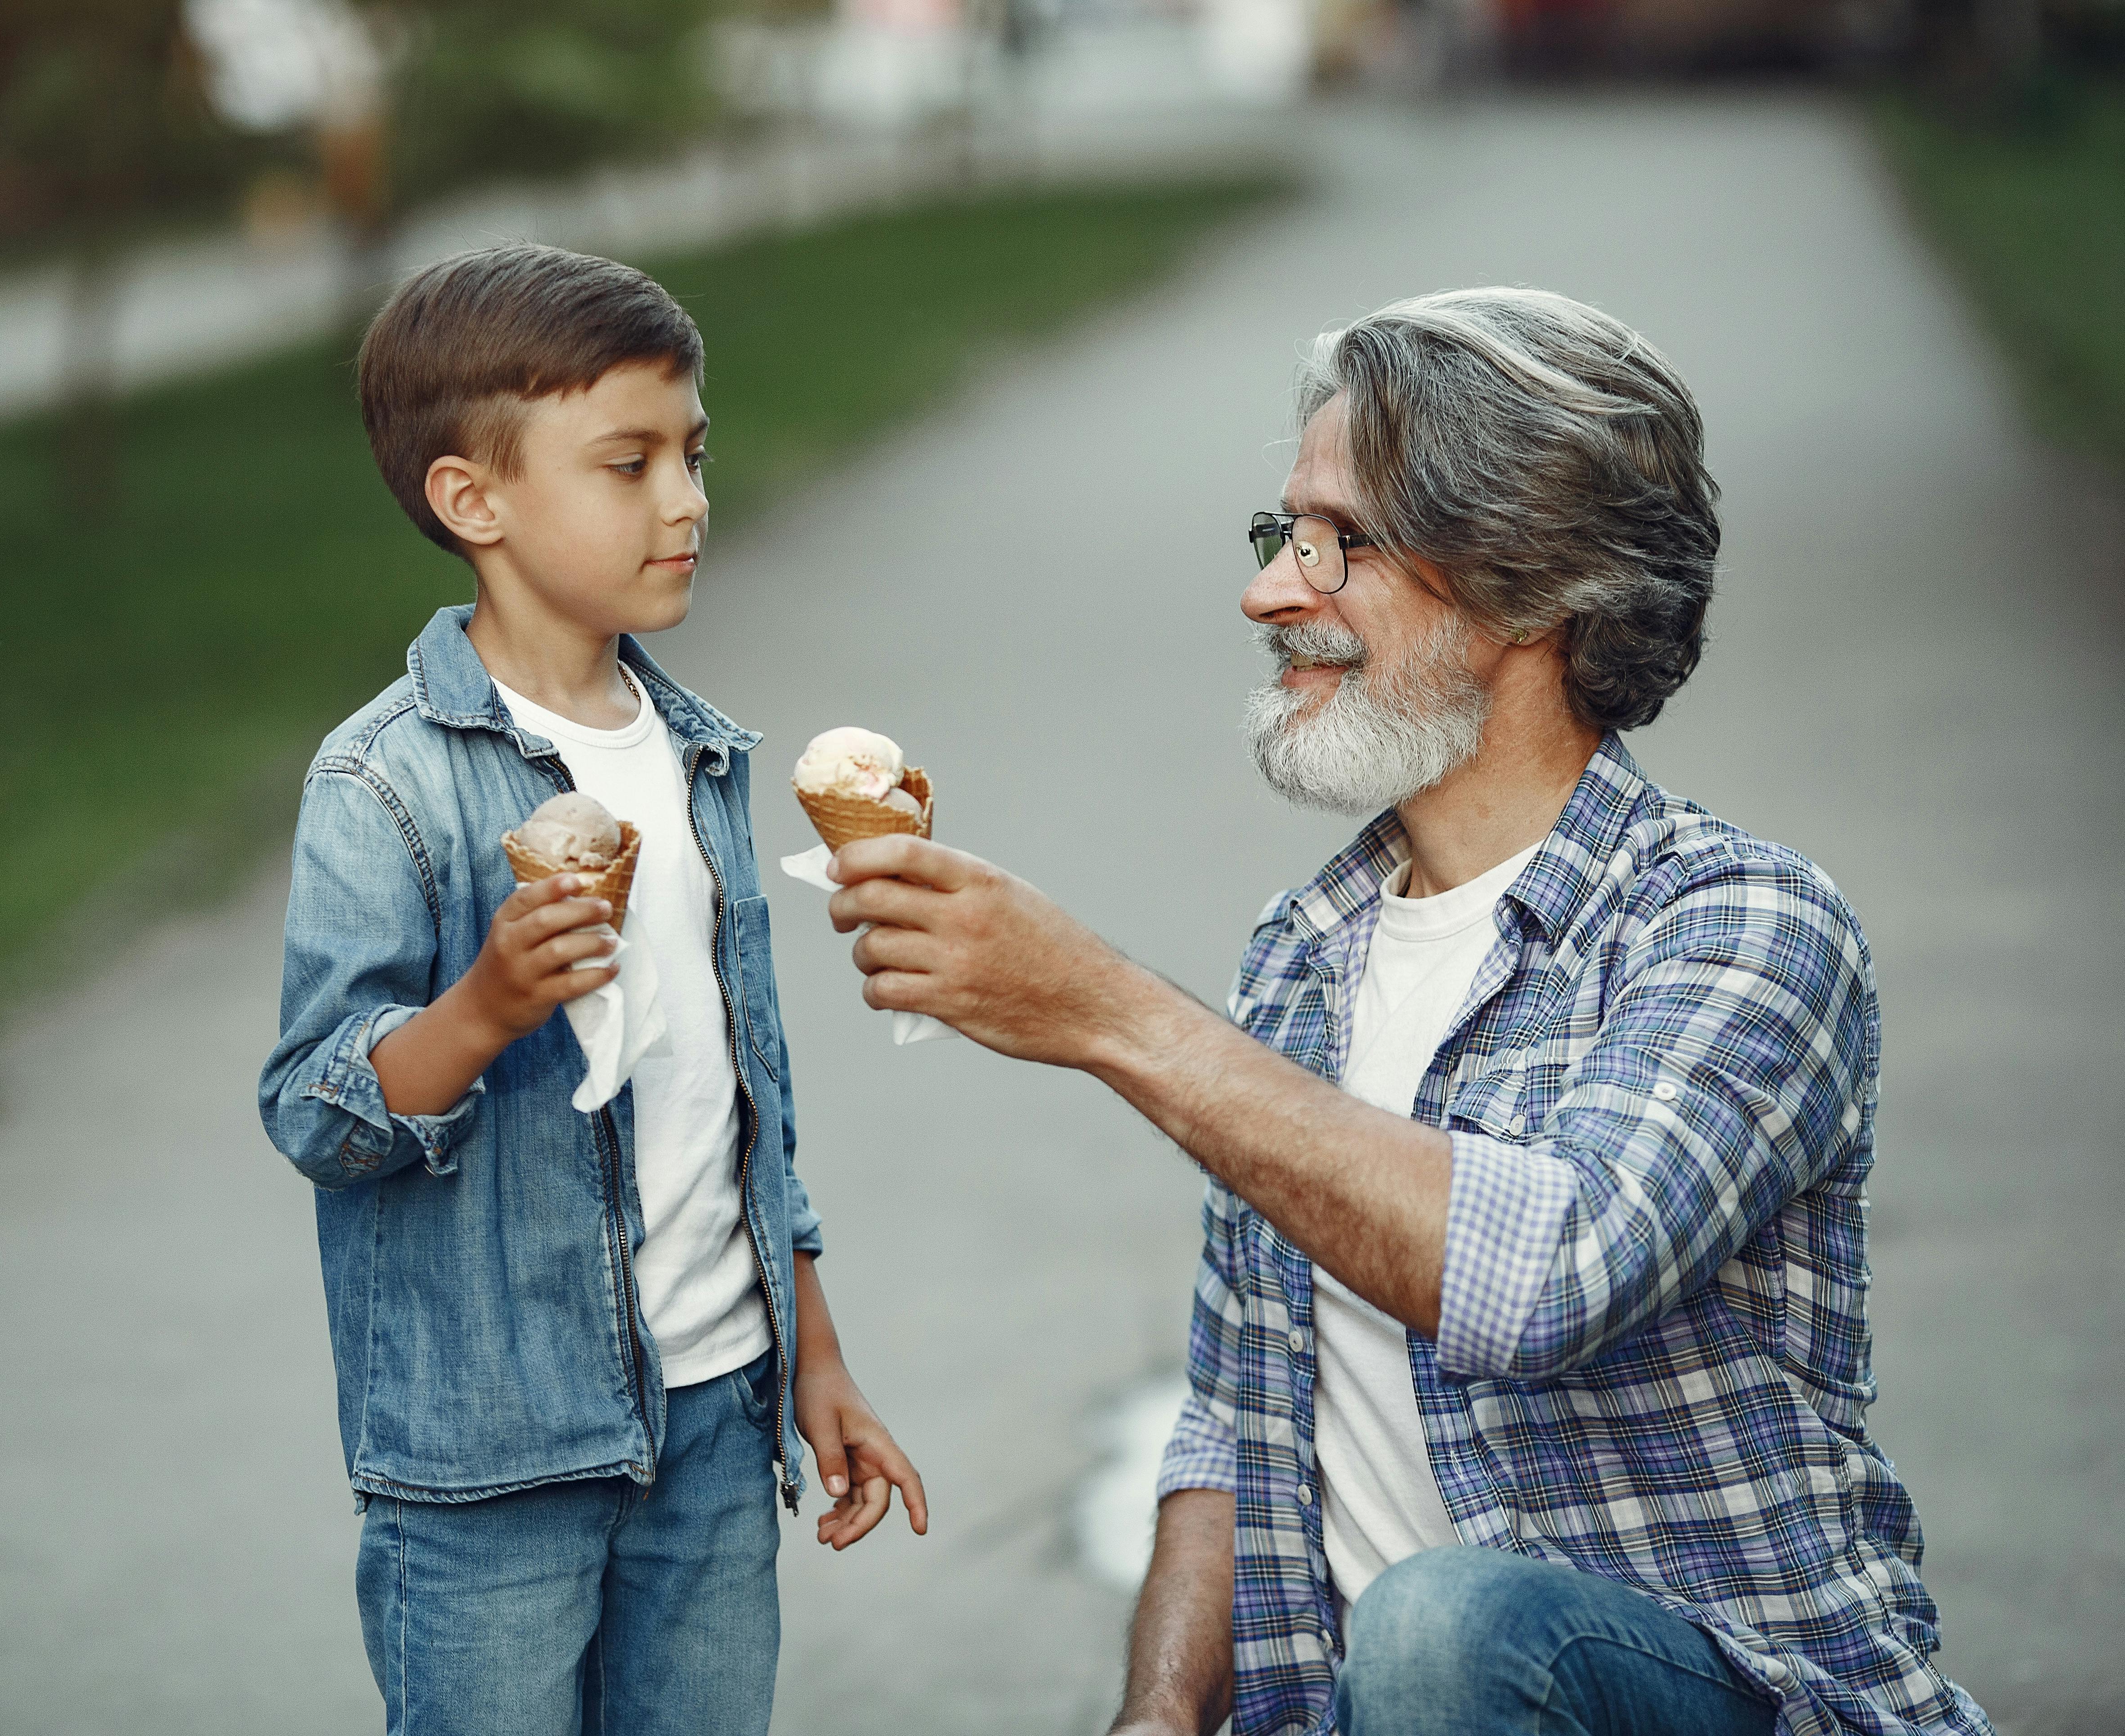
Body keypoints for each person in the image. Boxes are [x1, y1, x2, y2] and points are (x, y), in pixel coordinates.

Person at [821, 288, 1989, 1736]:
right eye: (1280, 538)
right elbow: (1235, 1417)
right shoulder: (1303, 956)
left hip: (1731, 1698)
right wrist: (1164, 1713)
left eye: (1338, 544)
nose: (1268, 594)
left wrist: (1108, 1011)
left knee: (1447, 1620)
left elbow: (1549, 1275)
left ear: (1533, 584)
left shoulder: (1742, 929)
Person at [258, 243, 926, 1736]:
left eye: (694, 454)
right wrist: (486, 1006)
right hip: (493, 1463)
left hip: (713, 1421)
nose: (688, 501)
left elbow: (743, 1101)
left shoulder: (698, 757)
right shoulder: (386, 785)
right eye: (629, 464)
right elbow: (317, 1110)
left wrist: (817, 1358)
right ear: (471, 501)